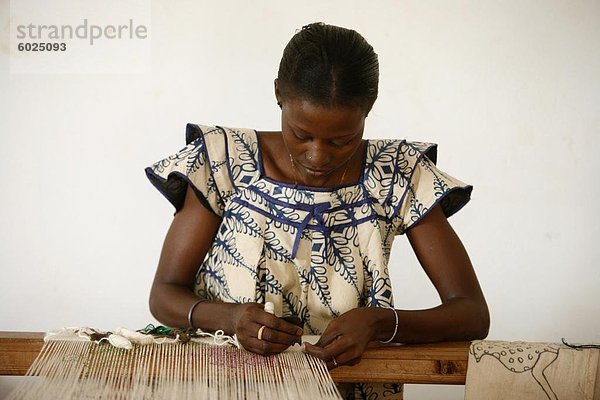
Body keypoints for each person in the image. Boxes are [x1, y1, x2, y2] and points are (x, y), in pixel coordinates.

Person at [145, 22, 489, 399]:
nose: (317, 156)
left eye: (341, 140)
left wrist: (379, 323)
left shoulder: (398, 173)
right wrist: (230, 318)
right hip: (221, 387)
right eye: (301, 134)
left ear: (369, 106)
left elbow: (471, 313)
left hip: (348, 388)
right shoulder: (222, 162)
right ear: (278, 92)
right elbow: (164, 295)